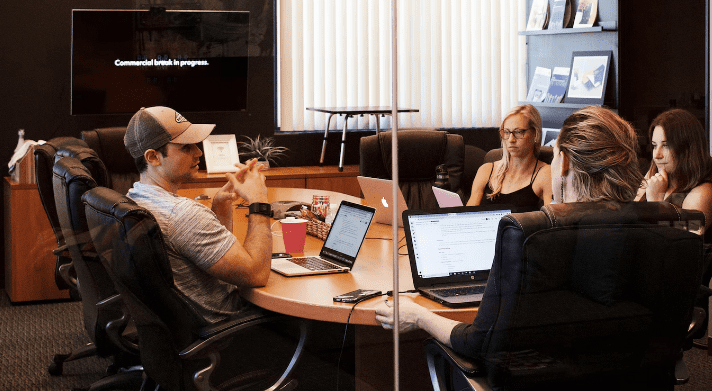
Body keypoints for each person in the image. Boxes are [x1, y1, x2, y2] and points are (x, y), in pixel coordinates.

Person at [376, 106, 642, 358]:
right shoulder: (658, 232)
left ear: (564, 164)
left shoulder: (531, 243)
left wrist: (418, 315)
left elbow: (477, 341)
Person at [124, 106, 273, 323]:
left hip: (181, 326)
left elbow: (205, 254)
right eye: (186, 147)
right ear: (153, 157)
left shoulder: (134, 196)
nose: (198, 152)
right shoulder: (182, 215)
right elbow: (256, 275)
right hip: (228, 327)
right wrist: (259, 202)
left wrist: (220, 206)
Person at [635, 108, 712, 232]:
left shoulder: (703, 192)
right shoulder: (654, 174)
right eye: (654, 146)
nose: (657, 155)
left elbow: (684, 241)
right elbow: (630, 221)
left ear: (687, 148)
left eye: (666, 146)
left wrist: (656, 204)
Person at [467, 104, 552, 211]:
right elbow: (468, 216)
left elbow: (554, 221)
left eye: (518, 132)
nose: (511, 140)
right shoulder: (486, 170)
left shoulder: (545, 173)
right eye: (506, 132)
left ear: (535, 134)